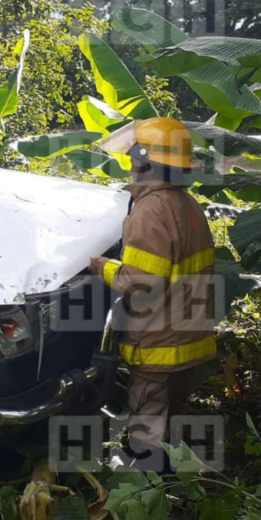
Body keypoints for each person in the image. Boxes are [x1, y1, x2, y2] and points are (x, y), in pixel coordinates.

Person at [88, 118, 219, 458]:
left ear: (144, 160)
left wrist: (103, 267)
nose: (130, 163)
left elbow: (141, 284)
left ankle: (150, 491)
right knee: (175, 421)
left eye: (133, 155)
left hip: (159, 344)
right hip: (191, 338)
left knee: (147, 430)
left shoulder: (151, 209)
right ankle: (178, 484)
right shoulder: (188, 205)